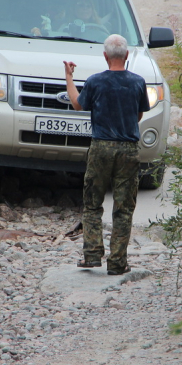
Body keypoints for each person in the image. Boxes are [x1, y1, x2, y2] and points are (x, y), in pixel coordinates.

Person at [63, 34, 150, 275]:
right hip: (129, 150)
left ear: (105, 56)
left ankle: (92, 256)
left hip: (101, 147)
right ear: (127, 55)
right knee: (123, 208)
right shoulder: (137, 82)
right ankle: (117, 262)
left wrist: (69, 77)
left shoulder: (95, 82)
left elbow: (78, 104)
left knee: (92, 204)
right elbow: (138, 116)